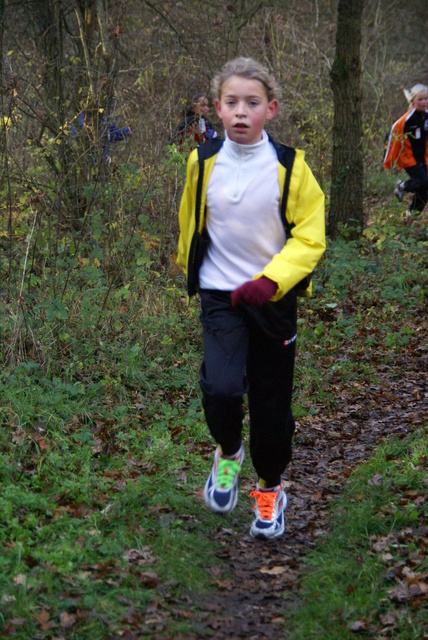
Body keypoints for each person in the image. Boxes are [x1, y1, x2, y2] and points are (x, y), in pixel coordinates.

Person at [177, 57, 325, 540]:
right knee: (220, 390)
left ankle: (269, 486)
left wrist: (272, 281)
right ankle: (228, 453)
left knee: (270, 406)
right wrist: (190, 269)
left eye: (252, 103)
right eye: (232, 102)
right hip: (222, 297)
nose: (241, 112)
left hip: (273, 301)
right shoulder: (201, 163)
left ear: (271, 109)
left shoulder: (291, 167)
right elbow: (191, 222)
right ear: (217, 109)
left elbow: (310, 237)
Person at [384, 84, 428, 217]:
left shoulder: (426, 116)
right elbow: (393, 133)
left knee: (425, 190)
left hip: (422, 158)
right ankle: (402, 186)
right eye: (420, 99)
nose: (424, 102)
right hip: (409, 158)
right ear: (413, 101)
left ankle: (411, 216)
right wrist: (388, 161)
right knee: (424, 182)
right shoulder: (407, 119)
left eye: (426, 98)